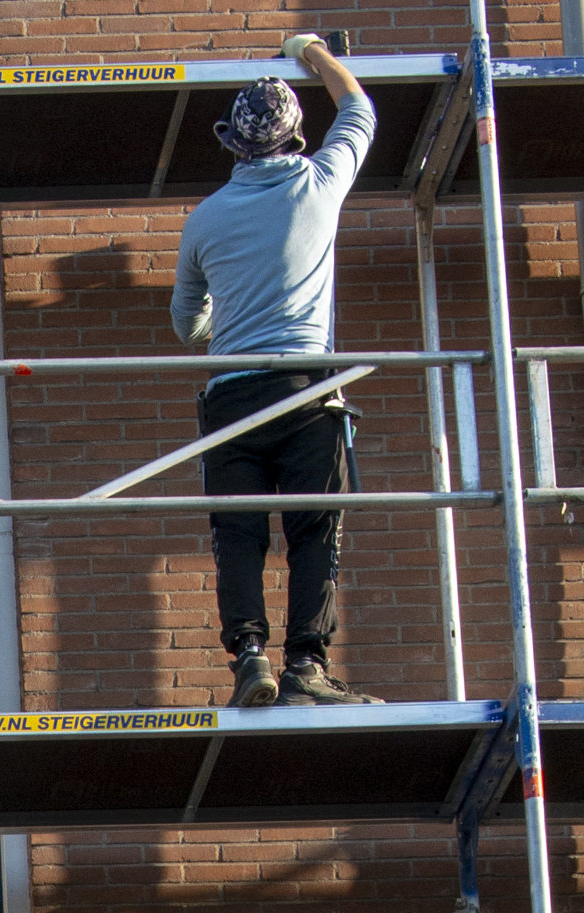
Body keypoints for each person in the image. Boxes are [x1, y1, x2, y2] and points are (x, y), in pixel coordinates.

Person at [172, 32, 382, 708]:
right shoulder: (320, 183)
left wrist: (233, 308)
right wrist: (313, 51)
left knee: (236, 535)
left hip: (231, 399)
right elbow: (359, 109)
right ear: (295, 137)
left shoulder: (204, 220)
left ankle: (249, 659)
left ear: (232, 143)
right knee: (313, 530)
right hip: (304, 394)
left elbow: (187, 325)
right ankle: (305, 666)